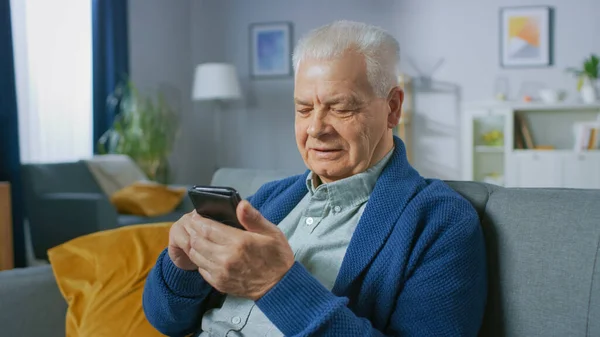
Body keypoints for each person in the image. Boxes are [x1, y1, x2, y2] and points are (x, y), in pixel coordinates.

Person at [143, 20, 487, 337]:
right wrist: (181, 266)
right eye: (304, 108)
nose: (316, 129)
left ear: (393, 108)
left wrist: (275, 284)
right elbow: (166, 320)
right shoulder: (269, 198)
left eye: (340, 108)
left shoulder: (439, 221)